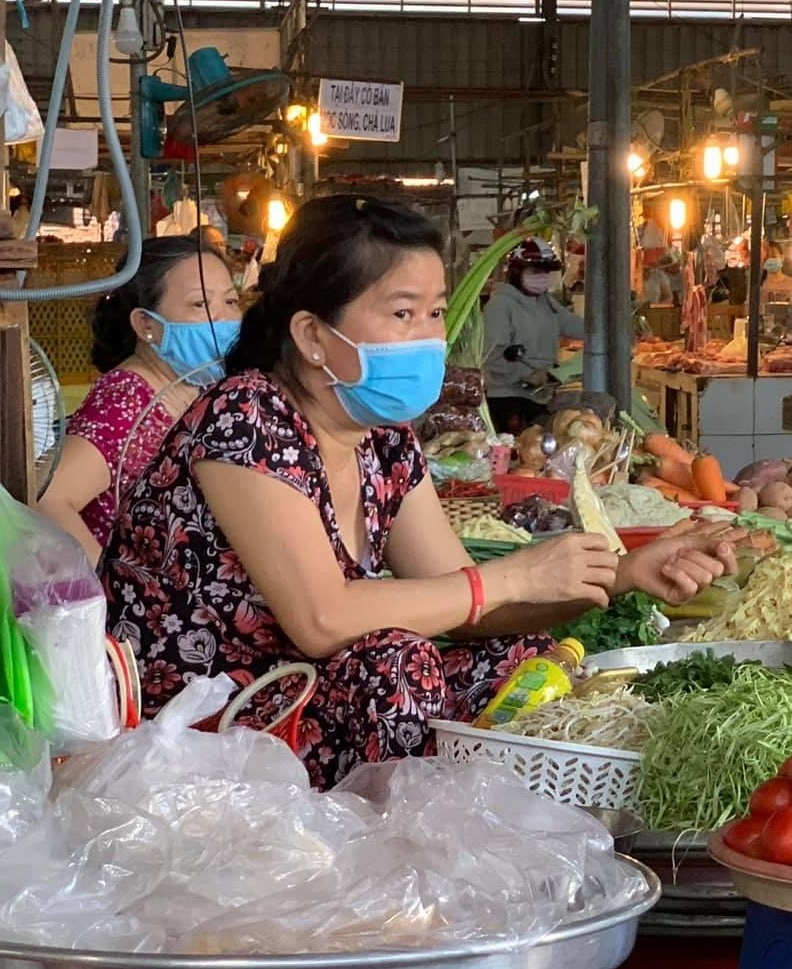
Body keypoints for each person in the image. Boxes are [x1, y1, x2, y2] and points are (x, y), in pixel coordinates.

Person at [103, 197, 734, 789]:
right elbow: (324, 620)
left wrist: (618, 574)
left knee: (522, 660)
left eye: (435, 311)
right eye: (403, 312)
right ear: (313, 335)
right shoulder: (246, 418)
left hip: (307, 699)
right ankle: (397, 862)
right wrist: (511, 577)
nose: (429, 335)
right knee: (394, 665)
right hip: (201, 724)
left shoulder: (382, 439)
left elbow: (467, 603)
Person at [38, 235, 240, 563]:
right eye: (199, 304)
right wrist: (109, 591)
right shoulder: (125, 402)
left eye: (230, 302)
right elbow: (48, 496)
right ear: (146, 324)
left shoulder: (195, 388)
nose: (223, 319)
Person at [483, 238, 584, 433]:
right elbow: (492, 355)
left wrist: (607, 331)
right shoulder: (500, 306)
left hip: (542, 396)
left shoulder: (545, 301)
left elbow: (570, 323)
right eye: (535, 272)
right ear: (516, 273)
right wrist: (526, 375)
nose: (541, 278)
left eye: (545, 273)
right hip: (509, 399)